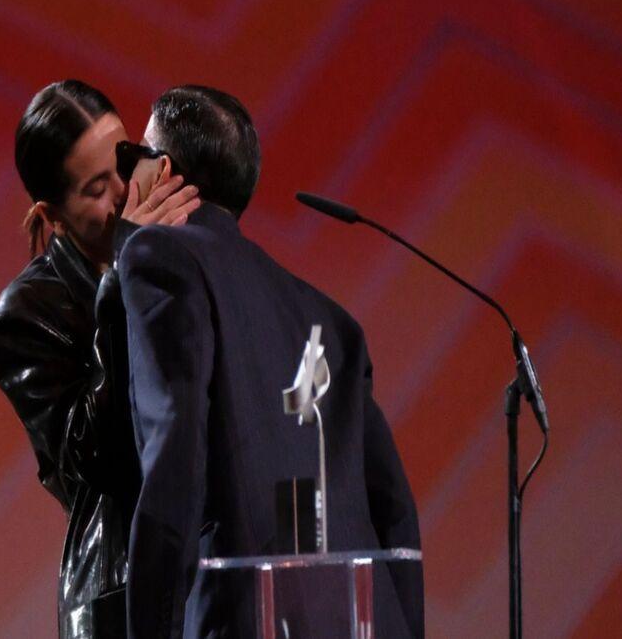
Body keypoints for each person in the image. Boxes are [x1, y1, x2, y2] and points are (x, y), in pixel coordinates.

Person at [117, 85, 423, 638]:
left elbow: (174, 460)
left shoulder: (157, 257)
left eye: (133, 156)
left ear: (161, 171)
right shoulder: (331, 320)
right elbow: (395, 512)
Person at [0, 80, 199, 637]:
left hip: (205, 568)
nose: (126, 194)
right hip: (122, 594)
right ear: (52, 216)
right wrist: (125, 278)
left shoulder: (174, 252)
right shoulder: (23, 317)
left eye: (124, 164)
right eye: (97, 189)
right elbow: (96, 457)